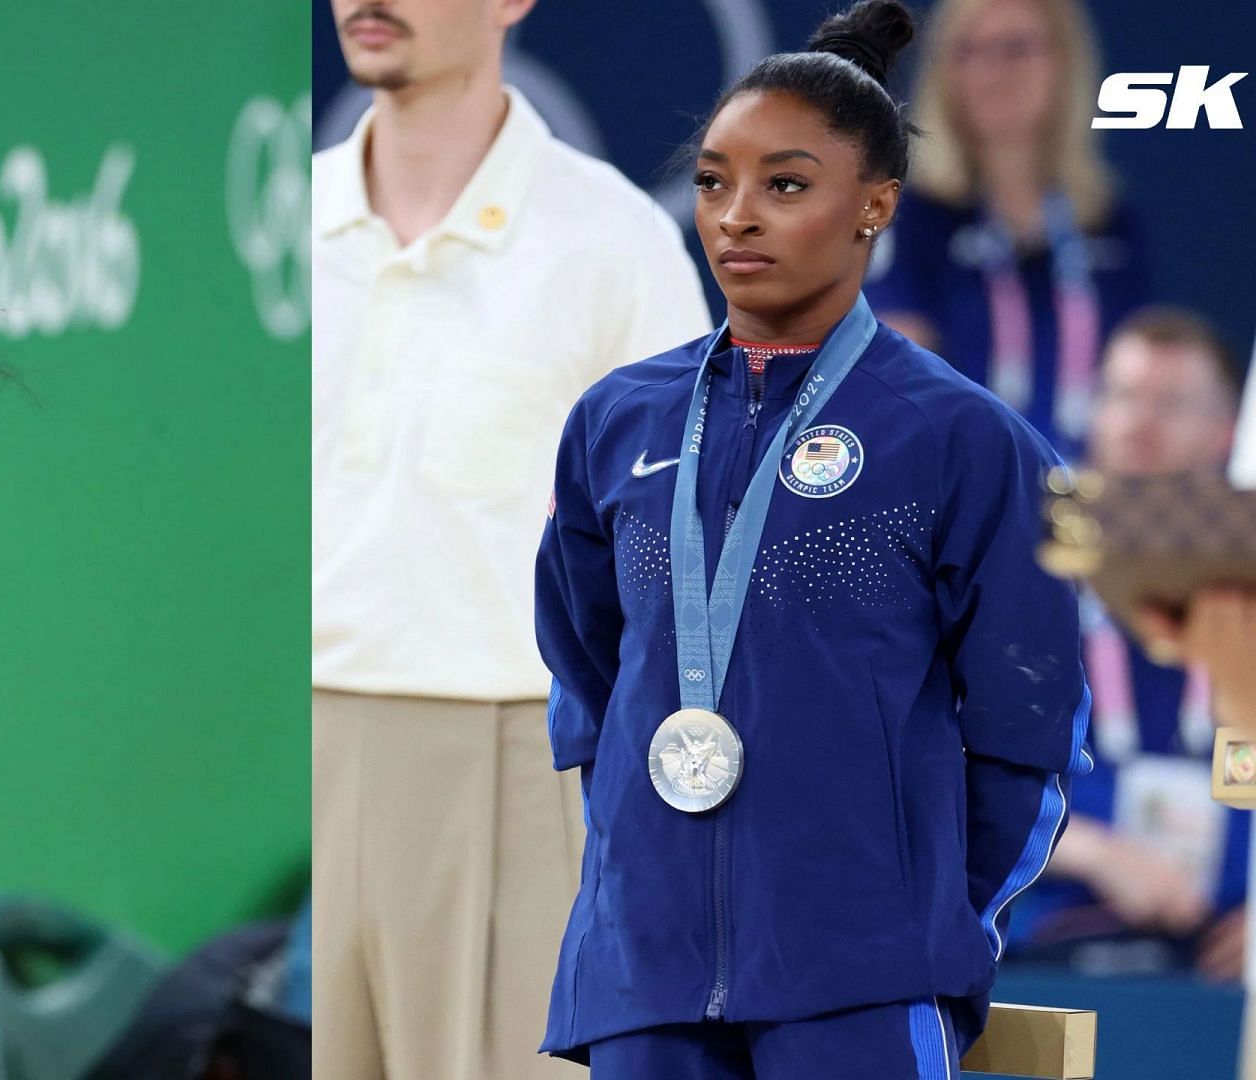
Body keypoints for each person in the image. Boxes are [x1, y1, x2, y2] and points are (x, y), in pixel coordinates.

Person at [535, 3, 1090, 1076]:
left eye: (785, 185)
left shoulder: (964, 441)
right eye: (711, 181)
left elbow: (1033, 726)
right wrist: (640, 879)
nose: (737, 216)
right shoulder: (617, 424)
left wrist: (928, 919)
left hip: (862, 979)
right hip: (642, 977)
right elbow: (591, 673)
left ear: (874, 205)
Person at [312, 0, 711, 1076]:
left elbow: (690, 563)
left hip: (521, 759)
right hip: (289, 750)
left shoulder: (616, 244)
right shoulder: (283, 226)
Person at [1008, 309, 1248, 979]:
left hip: (1225, 960)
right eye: (1122, 395)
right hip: (1051, 942)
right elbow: (947, 777)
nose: (1140, 422)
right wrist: (1095, 852)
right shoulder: (1025, 574)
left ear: (1227, 431)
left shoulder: (1245, 601)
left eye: (1171, 403)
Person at [864, 0, 1149, 461]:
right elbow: (896, 388)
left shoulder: (1109, 222)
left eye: (1016, 48)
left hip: (1090, 507)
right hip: (961, 501)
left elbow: (1138, 390)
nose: (993, 70)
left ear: (1065, 61)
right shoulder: (906, 215)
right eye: (969, 51)